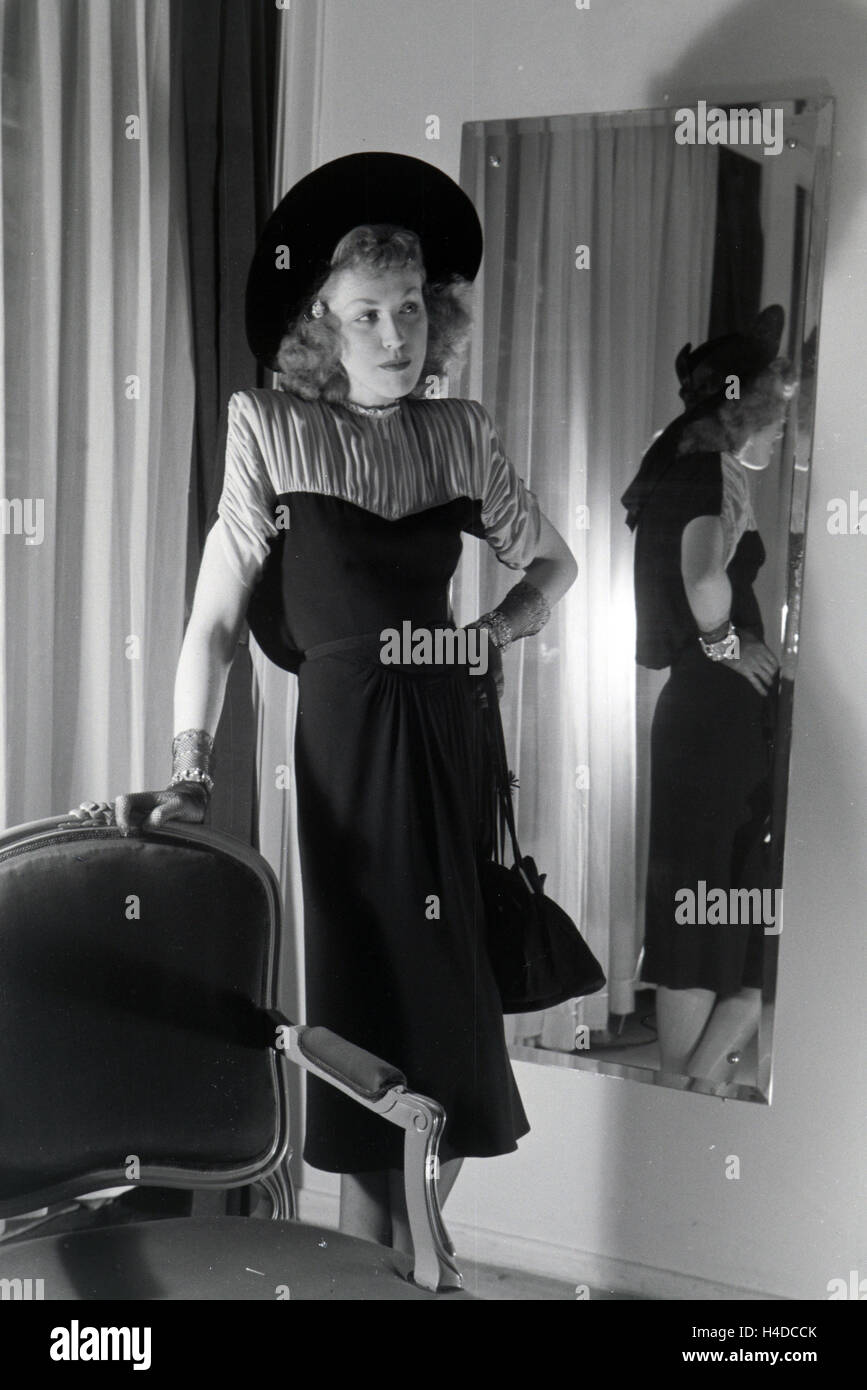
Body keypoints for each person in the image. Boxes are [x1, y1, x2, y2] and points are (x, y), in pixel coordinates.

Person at [69, 153, 577, 1249]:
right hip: (348, 768)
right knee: (367, 1053)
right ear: (321, 327)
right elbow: (212, 623)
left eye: (409, 311)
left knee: (445, 1048)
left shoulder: (464, 432)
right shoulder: (270, 426)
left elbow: (557, 569)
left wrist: (489, 633)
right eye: (365, 315)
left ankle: (404, 1273)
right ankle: (387, 1275)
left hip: (449, 751)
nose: (396, 336)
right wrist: (190, 766)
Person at [621, 305, 795, 1089]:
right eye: (773, 410)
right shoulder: (699, 468)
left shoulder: (692, 464)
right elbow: (699, 578)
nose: (780, 428)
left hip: (709, 715)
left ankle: (692, 1091)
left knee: (717, 904)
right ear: (742, 406)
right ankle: (686, 1094)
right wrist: (731, 645)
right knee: (705, 905)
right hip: (712, 713)